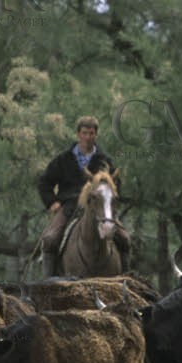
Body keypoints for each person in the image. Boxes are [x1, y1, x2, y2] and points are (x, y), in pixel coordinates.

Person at [36, 115, 129, 276]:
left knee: (125, 238)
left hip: (99, 207)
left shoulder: (104, 160)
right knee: (50, 239)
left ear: (96, 135)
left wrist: (109, 201)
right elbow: (44, 182)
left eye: (91, 133)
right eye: (84, 133)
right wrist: (52, 202)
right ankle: (48, 283)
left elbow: (116, 186)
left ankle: (127, 281)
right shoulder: (63, 159)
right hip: (69, 206)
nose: (88, 137)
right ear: (78, 134)